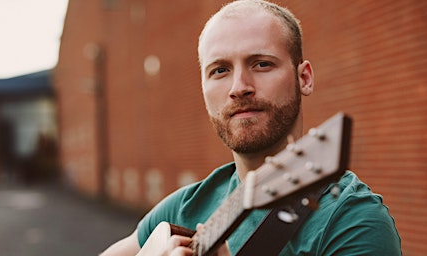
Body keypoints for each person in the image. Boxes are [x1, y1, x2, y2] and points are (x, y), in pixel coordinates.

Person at [100, 0, 401, 255]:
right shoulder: (183, 208)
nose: (239, 87)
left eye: (261, 64)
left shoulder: (352, 221)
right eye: (220, 70)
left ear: (304, 78)